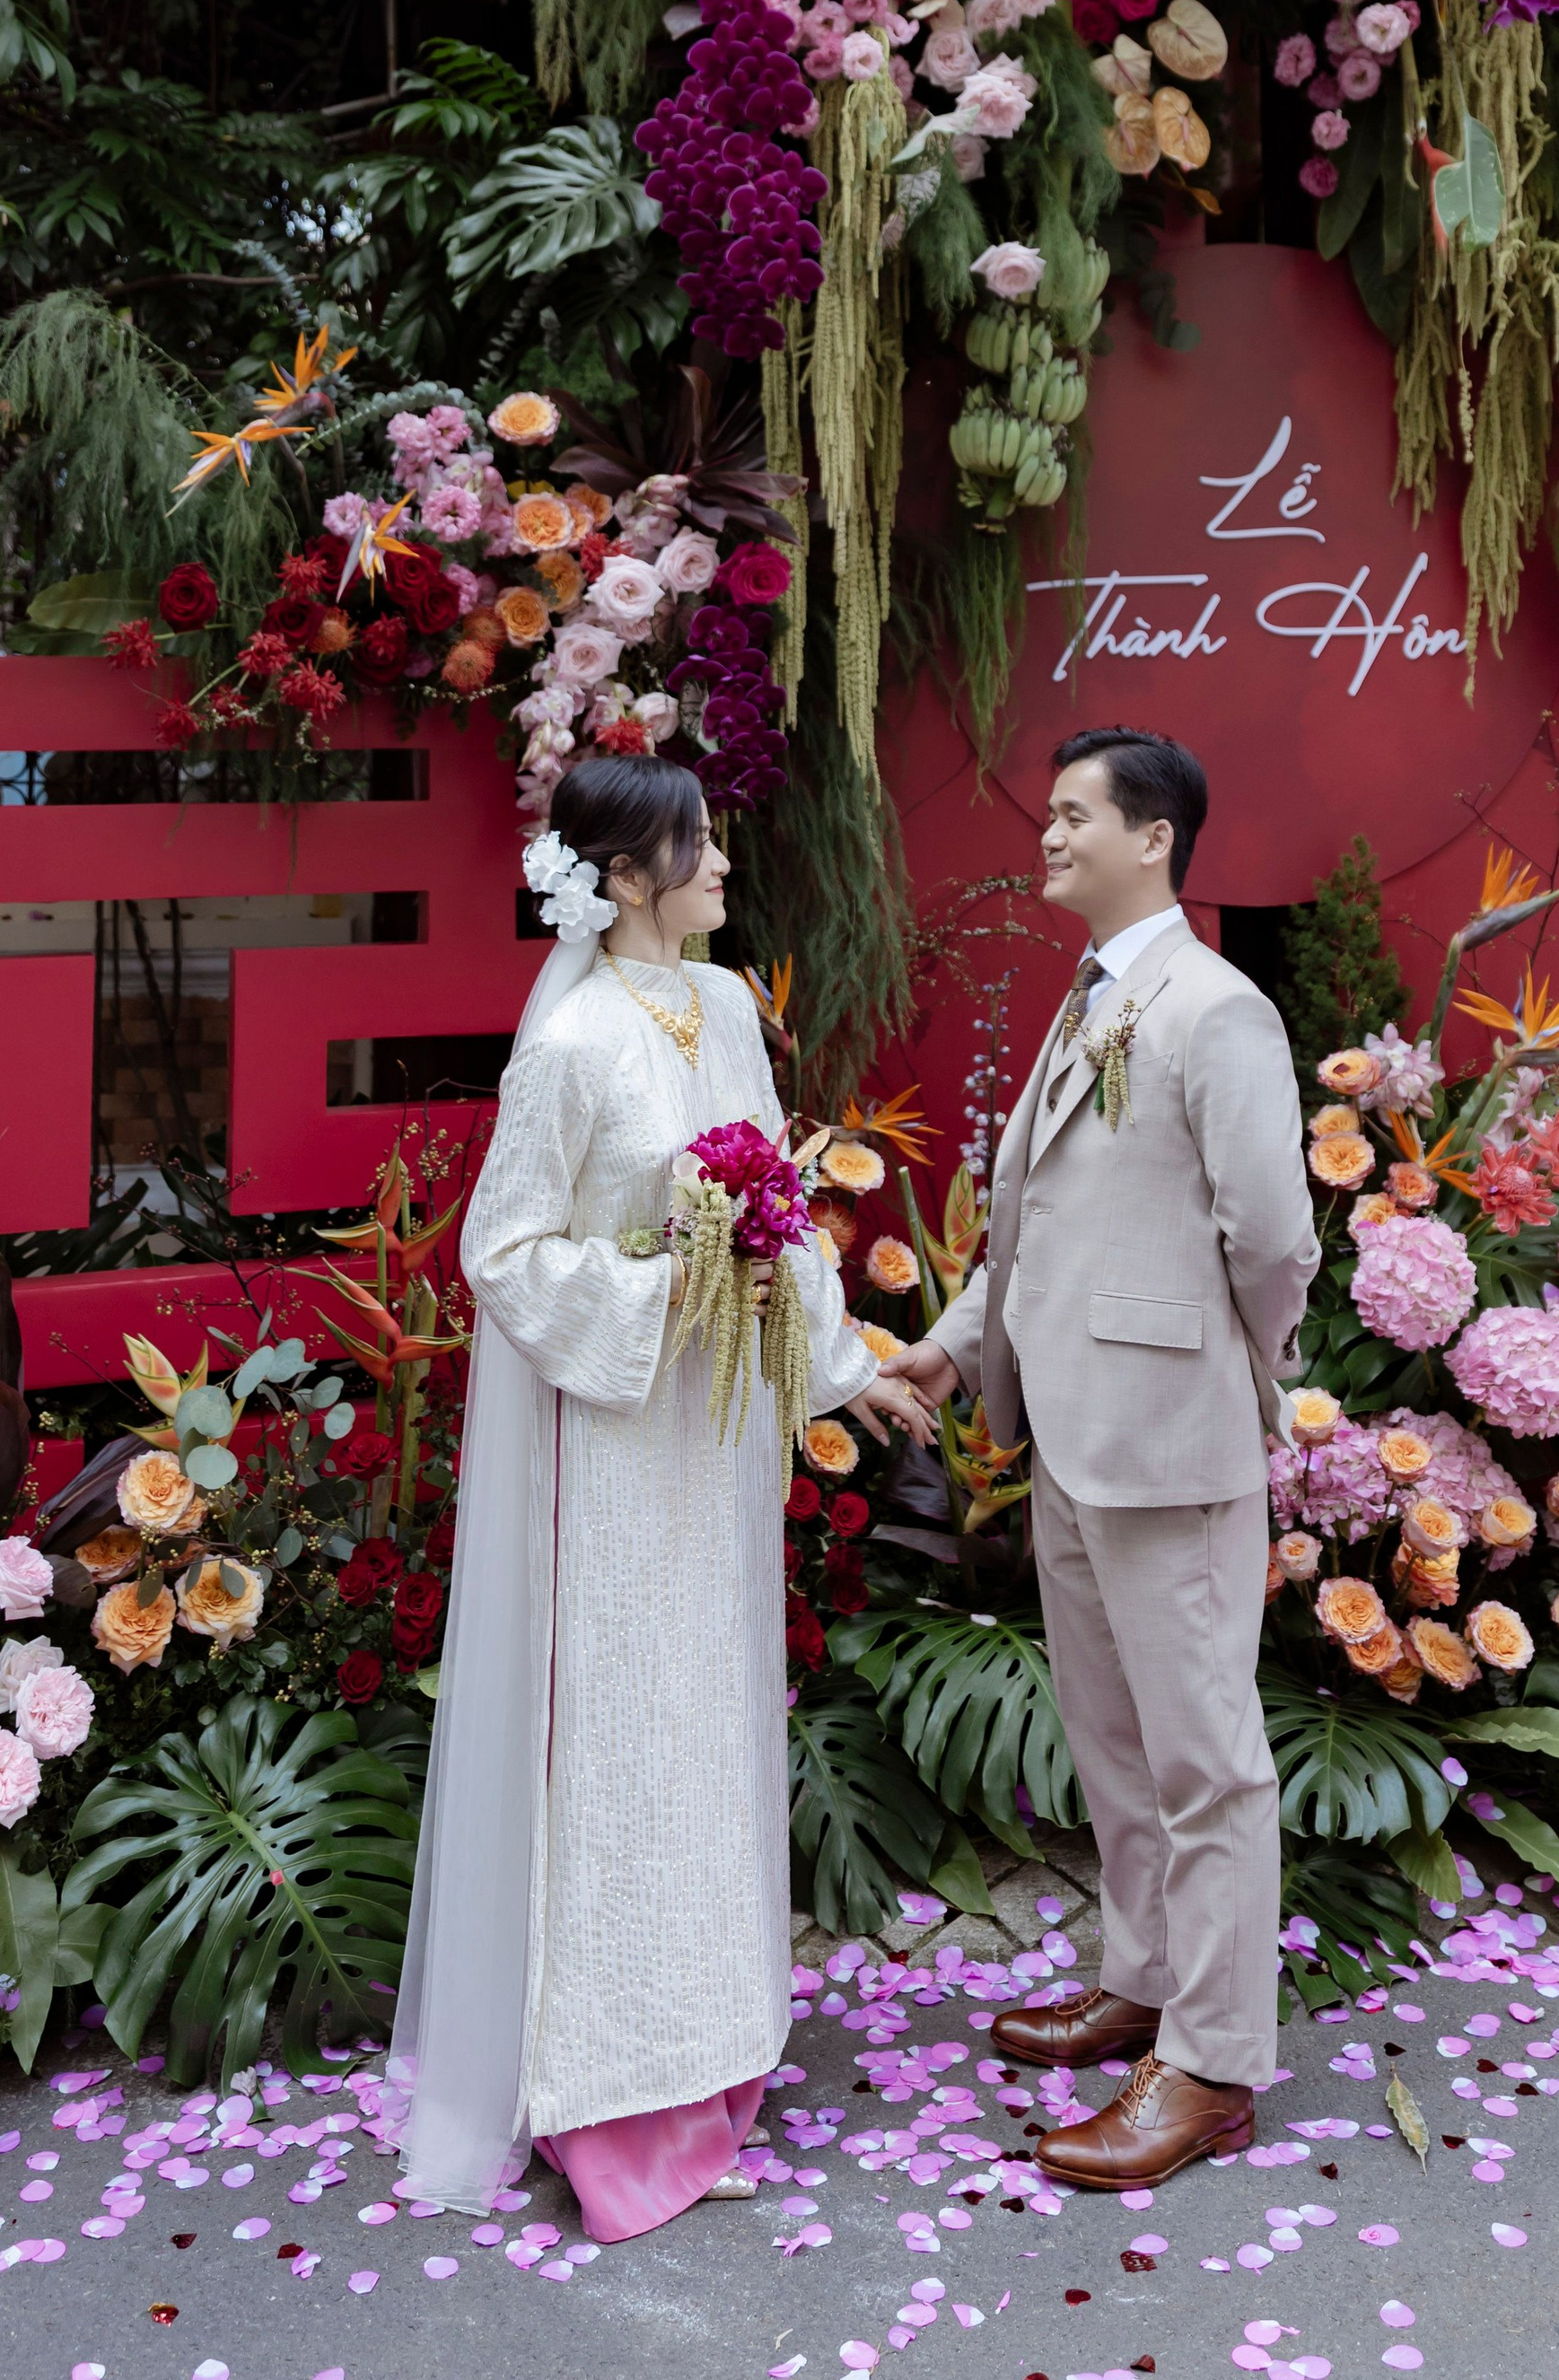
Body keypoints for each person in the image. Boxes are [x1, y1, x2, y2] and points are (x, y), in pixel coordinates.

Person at [387, 751, 933, 2239]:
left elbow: (774, 1214)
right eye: (699, 844)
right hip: (617, 1451)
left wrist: (842, 1362)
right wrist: (661, 1283)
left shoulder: (733, 1010)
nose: (724, 862)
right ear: (625, 876)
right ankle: (609, 2096)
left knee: (706, 1736)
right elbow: (505, 1255)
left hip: (716, 1448)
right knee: (623, 1747)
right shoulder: (568, 1046)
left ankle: (713, 2059)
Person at [889, 727, 1318, 2188]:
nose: (1050, 836)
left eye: (1076, 816)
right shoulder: (1091, 1003)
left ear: (1155, 837)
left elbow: (1272, 1240)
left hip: (1166, 1436)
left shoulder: (1216, 1012)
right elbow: (1036, 1219)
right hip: (1063, 1432)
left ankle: (1210, 2065)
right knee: (1118, 1744)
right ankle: (1144, 1979)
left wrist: (1229, 1367)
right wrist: (956, 1340)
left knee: (1206, 1761)